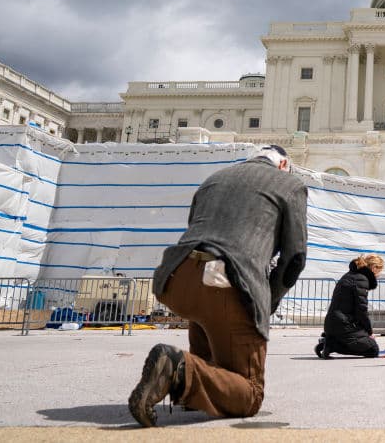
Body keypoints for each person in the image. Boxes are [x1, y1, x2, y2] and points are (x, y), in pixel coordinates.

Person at [128, 145, 307, 427]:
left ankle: (190, 388)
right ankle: (179, 370)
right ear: (283, 164)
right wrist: (267, 300)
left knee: (207, 319)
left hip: (176, 277)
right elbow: (295, 257)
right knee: (250, 394)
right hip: (228, 281)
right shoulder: (290, 183)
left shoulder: (215, 178)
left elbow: (198, 232)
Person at [316, 254, 385, 359]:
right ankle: (332, 345)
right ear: (374, 268)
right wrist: (369, 332)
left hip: (333, 323)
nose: (378, 275)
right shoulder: (362, 280)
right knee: (373, 349)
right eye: (379, 271)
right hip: (343, 325)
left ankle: (331, 341)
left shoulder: (350, 275)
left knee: (366, 341)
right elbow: (361, 310)